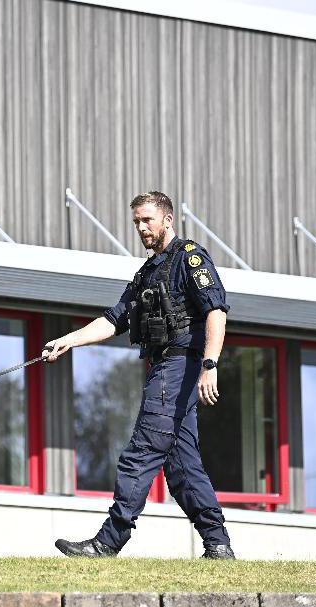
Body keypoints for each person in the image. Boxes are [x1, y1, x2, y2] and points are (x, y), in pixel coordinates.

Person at [43, 191, 235, 560]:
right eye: (136, 222)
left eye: (147, 220)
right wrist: (68, 341)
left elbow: (216, 310)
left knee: (141, 452)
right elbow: (114, 319)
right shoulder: (147, 272)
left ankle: (107, 542)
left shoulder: (189, 258)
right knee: (182, 467)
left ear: (167, 219)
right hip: (164, 368)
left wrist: (210, 364)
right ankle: (219, 545)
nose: (141, 228)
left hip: (180, 367)